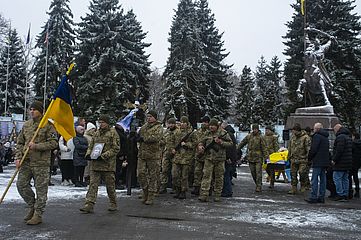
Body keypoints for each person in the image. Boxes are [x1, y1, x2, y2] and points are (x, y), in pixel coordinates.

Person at [15, 101, 58, 225]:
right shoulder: (26, 125)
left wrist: (37, 146)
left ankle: (38, 214)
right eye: (30, 109)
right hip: (26, 161)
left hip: (41, 163)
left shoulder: (48, 125)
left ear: (41, 111)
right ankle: (32, 206)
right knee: (21, 185)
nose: (32, 111)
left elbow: (53, 143)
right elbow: (20, 143)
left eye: (34, 109)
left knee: (41, 189)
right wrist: (18, 157)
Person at [80, 115, 120, 213]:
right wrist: (88, 154)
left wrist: (103, 155)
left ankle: (113, 202)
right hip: (96, 164)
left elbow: (116, 148)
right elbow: (91, 145)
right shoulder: (96, 133)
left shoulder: (113, 133)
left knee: (110, 186)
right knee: (92, 185)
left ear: (107, 123)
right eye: (100, 122)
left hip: (108, 165)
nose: (101, 124)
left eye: (103, 122)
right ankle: (89, 204)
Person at [198, 118, 232, 202]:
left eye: (213, 125)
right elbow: (201, 141)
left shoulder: (223, 133)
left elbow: (231, 144)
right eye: (210, 125)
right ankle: (204, 194)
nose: (211, 127)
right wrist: (200, 146)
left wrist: (221, 142)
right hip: (209, 158)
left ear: (217, 126)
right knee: (206, 176)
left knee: (219, 177)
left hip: (220, 159)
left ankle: (217, 195)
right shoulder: (207, 133)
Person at [137, 110, 163, 205]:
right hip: (142, 154)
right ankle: (145, 191)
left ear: (155, 117)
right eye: (147, 116)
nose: (149, 118)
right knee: (140, 173)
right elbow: (139, 135)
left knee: (153, 176)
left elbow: (156, 137)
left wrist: (144, 138)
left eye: (151, 116)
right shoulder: (144, 127)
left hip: (153, 155)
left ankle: (151, 195)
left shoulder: (158, 127)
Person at [237, 124, 268, 192]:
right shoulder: (249, 136)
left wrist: (266, 157)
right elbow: (243, 143)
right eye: (253, 129)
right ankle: (257, 183)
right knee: (253, 172)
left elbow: (264, 148)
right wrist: (237, 149)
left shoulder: (261, 137)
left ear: (258, 129)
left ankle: (258, 186)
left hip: (258, 157)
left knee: (258, 172)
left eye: (256, 129)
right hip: (251, 157)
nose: (254, 130)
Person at [305, 123, 330, 204]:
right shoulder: (326, 137)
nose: (313, 130)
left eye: (314, 128)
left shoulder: (317, 136)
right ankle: (321, 197)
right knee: (323, 179)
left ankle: (313, 196)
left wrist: (309, 158)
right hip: (325, 161)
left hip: (318, 161)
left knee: (314, 179)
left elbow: (313, 149)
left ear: (317, 129)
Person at [172, 116, 194, 199]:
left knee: (184, 176)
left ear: (187, 123)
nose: (182, 124)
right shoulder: (177, 132)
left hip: (186, 157)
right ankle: (177, 189)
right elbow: (171, 142)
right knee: (175, 174)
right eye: (181, 122)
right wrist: (172, 149)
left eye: (184, 122)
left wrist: (187, 145)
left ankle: (183, 191)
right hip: (177, 156)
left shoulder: (191, 133)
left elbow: (195, 144)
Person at [287, 123, 311, 194]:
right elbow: (290, 147)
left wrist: (308, 158)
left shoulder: (306, 138)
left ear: (298, 131)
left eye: (294, 131)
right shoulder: (292, 137)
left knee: (302, 172)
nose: (293, 133)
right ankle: (293, 188)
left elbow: (308, 149)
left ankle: (303, 185)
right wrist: (288, 156)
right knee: (293, 174)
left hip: (302, 159)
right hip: (293, 159)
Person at [331, 124, 352, 201]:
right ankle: (345, 194)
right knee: (345, 179)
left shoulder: (340, 137)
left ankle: (340, 194)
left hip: (340, 162)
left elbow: (339, 150)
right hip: (347, 162)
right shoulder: (348, 137)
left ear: (338, 129)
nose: (334, 132)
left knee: (337, 178)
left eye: (334, 130)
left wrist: (334, 160)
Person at [191, 116, 210, 196]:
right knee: (197, 172)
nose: (204, 123)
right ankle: (196, 187)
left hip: (207, 156)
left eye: (206, 122)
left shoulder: (210, 132)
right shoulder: (197, 132)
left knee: (206, 173)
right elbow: (193, 141)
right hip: (198, 155)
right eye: (203, 122)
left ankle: (207, 189)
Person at [159, 118, 177, 194]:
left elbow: (178, 142)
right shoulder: (165, 132)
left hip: (175, 154)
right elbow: (163, 141)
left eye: (172, 123)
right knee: (164, 170)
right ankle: (163, 186)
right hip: (166, 153)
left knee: (175, 172)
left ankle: (175, 187)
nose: (171, 125)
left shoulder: (177, 132)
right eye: (169, 123)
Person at [221, 122, 238, 197]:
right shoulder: (231, 134)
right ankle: (227, 191)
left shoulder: (228, 134)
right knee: (227, 174)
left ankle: (227, 191)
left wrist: (228, 157)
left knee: (226, 175)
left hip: (228, 158)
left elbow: (229, 148)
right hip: (231, 157)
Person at [350, 132, 361, 198]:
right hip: (358, 163)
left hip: (352, 162)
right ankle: (357, 191)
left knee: (349, 176)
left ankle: (350, 191)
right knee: (355, 176)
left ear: (354, 136)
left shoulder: (352, 144)